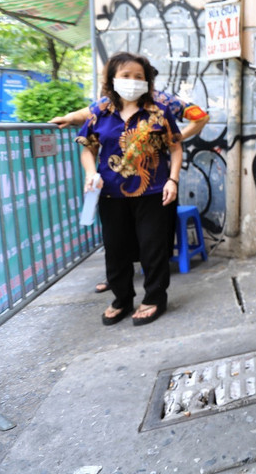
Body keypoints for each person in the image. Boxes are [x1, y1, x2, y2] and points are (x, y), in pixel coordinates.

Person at [54, 87, 209, 293]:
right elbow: (88, 113)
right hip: (116, 187)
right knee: (118, 237)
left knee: (152, 237)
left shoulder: (163, 101)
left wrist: (175, 139)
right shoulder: (109, 102)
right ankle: (119, 281)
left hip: (153, 183)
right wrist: (69, 117)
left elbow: (200, 117)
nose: (130, 81)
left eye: (136, 75)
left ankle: (153, 289)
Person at [76, 52, 182, 326]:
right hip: (111, 193)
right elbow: (88, 149)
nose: (133, 82)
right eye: (126, 76)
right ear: (113, 79)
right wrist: (90, 173)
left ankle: (155, 298)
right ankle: (122, 299)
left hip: (155, 192)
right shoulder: (100, 113)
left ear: (147, 81)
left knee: (153, 248)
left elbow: (175, 146)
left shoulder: (159, 112)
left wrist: (173, 180)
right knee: (115, 249)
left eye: (139, 77)